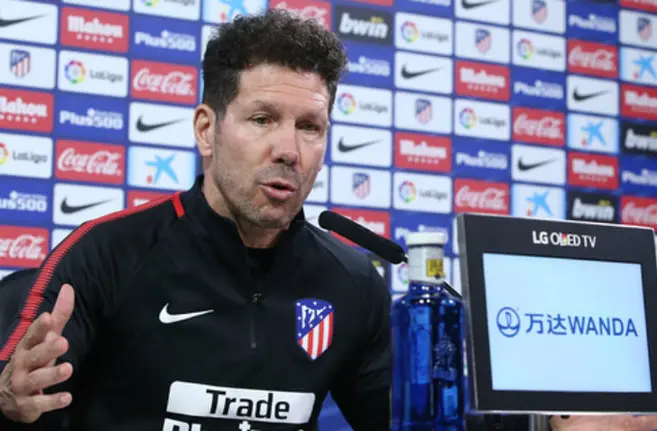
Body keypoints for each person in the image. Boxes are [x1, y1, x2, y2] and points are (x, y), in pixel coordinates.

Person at [0, 10, 391, 431]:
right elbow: (17, 385)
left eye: (310, 127)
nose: (289, 150)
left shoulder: (354, 282)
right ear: (207, 130)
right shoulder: (106, 252)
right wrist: (8, 397)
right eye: (262, 119)